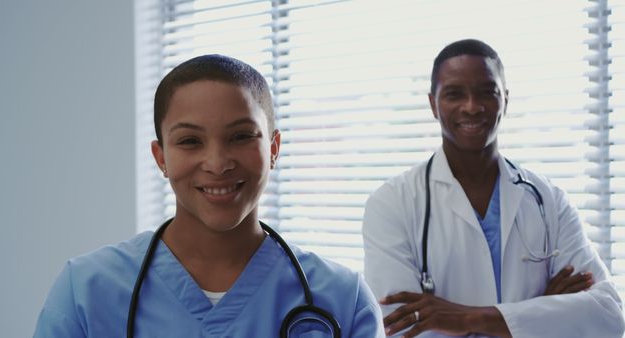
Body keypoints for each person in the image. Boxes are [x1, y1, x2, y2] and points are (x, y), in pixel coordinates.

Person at [34, 54, 385, 337]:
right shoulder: (85, 292)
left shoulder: (343, 300)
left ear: (274, 148)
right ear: (161, 158)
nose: (217, 164)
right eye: (190, 141)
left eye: (241, 136)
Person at [362, 39, 625, 338]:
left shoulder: (549, 200)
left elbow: (608, 316)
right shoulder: (391, 204)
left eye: (487, 92)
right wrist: (541, 313)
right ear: (433, 104)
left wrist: (467, 319)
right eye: (454, 94)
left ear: (506, 100)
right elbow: (403, 328)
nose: (472, 107)